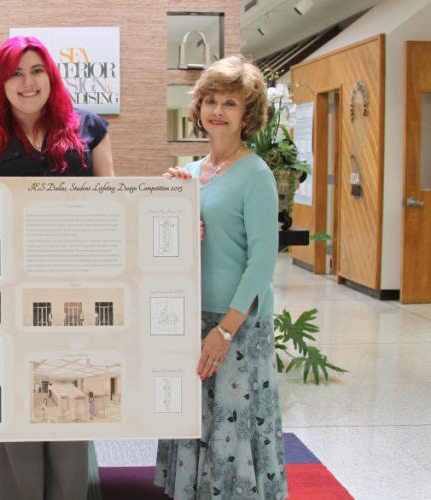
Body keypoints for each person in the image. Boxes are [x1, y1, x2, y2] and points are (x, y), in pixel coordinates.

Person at [0, 35, 114, 500]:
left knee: (70, 400)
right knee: (17, 406)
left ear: (51, 76)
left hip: (75, 295)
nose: (27, 82)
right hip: (5, 297)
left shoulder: (89, 129)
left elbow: (115, 206)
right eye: (15, 73)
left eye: (36, 70)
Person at [156, 55, 288, 499]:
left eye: (230, 102)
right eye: (210, 100)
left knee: (234, 426)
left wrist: (225, 331)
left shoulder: (256, 175)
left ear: (247, 114)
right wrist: (172, 202)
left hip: (238, 325)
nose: (217, 110)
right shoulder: (191, 173)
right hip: (191, 317)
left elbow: (261, 262)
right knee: (195, 419)